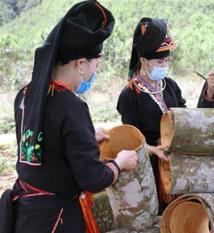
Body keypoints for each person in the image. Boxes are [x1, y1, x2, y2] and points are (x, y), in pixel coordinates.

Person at [0, 1, 140, 233]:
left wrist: (84, 137)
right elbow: (93, 179)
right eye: (96, 64)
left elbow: (38, 145)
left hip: (25, 213)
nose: (95, 71)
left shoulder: (25, 95)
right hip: (56, 219)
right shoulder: (71, 106)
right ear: (81, 64)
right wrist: (120, 163)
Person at [117, 17, 186, 213]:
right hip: (151, 164)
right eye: (159, 61)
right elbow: (131, 139)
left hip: (176, 159)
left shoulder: (170, 85)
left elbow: (183, 113)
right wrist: (153, 149)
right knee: (161, 212)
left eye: (166, 60)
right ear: (143, 61)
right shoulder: (130, 95)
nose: (164, 65)